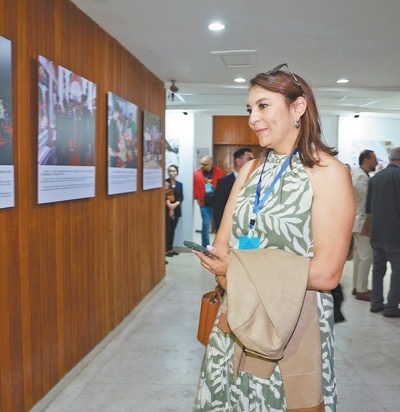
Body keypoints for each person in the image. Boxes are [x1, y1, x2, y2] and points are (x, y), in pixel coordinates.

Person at [191, 64, 355, 411]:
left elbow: (327, 274)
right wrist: (221, 262)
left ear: (298, 107)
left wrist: (238, 269)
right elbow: (222, 244)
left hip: (294, 321)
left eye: (263, 106)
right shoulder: (250, 169)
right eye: (250, 109)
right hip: (237, 314)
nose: (253, 118)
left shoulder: (328, 173)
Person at [366, 147, 400, 317]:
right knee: (398, 270)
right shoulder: (398, 176)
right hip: (394, 233)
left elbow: (368, 208)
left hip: (376, 231)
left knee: (378, 269)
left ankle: (376, 302)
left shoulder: (375, 178)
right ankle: (392, 306)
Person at [351, 149, 378, 301]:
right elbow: (369, 198)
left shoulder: (360, 175)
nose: (376, 163)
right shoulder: (360, 177)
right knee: (366, 256)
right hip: (362, 222)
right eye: (374, 159)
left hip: (359, 222)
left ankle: (358, 286)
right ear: (366, 160)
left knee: (359, 256)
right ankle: (361, 289)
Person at [213, 147, 254, 231]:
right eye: (249, 159)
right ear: (238, 161)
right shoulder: (223, 182)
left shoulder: (256, 181)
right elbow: (218, 209)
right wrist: (220, 231)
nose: (253, 162)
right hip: (230, 229)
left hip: (250, 230)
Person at [193, 156, 224, 247]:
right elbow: (194, 187)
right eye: (201, 164)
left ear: (210, 164)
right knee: (206, 225)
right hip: (204, 204)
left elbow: (223, 187)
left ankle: (218, 245)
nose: (202, 166)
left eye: (205, 164)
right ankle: (205, 247)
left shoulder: (219, 172)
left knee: (220, 225)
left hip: (217, 204)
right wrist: (197, 197)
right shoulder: (197, 173)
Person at [165, 164, 183, 257]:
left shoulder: (179, 184)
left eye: (173, 171)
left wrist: (174, 205)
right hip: (166, 210)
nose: (171, 173)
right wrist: (170, 206)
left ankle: (170, 249)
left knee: (172, 230)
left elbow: (181, 197)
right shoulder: (165, 183)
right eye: (170, 171)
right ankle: (165, 250)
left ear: (177, 173)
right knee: (166, 230)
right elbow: (164, 196)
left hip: (176, 210)